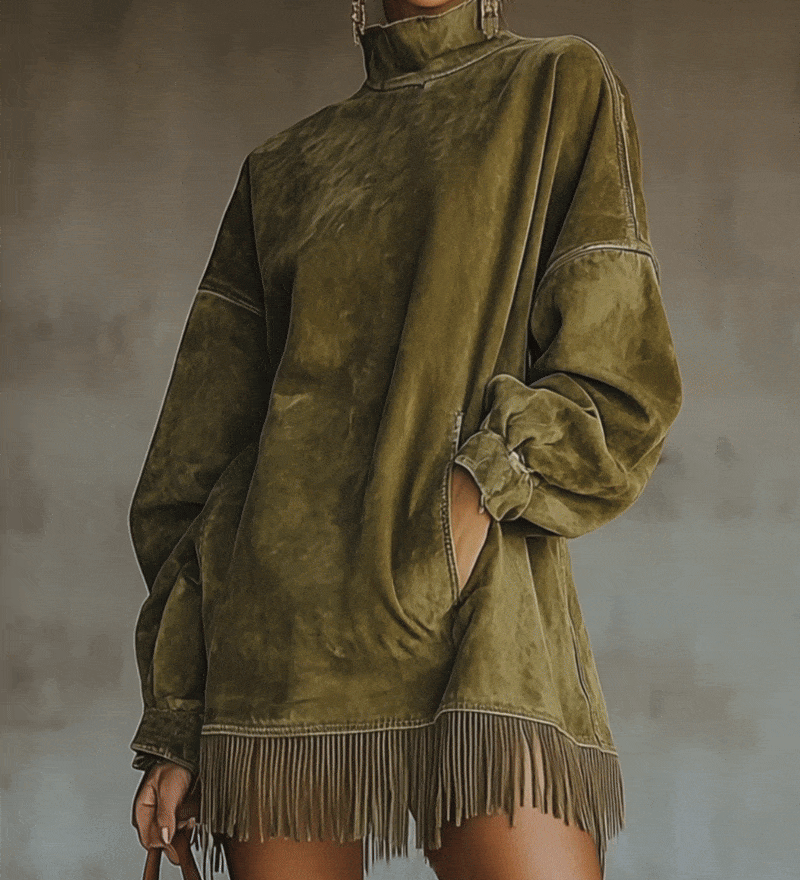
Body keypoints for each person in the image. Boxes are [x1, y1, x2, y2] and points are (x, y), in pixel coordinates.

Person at [129, 1, 682, 878]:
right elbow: (194, 470)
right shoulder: (282, 169)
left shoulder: (558, 85)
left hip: (479, 616)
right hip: (279, 649)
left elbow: (618, 377)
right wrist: (180, 715)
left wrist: (476, 493)